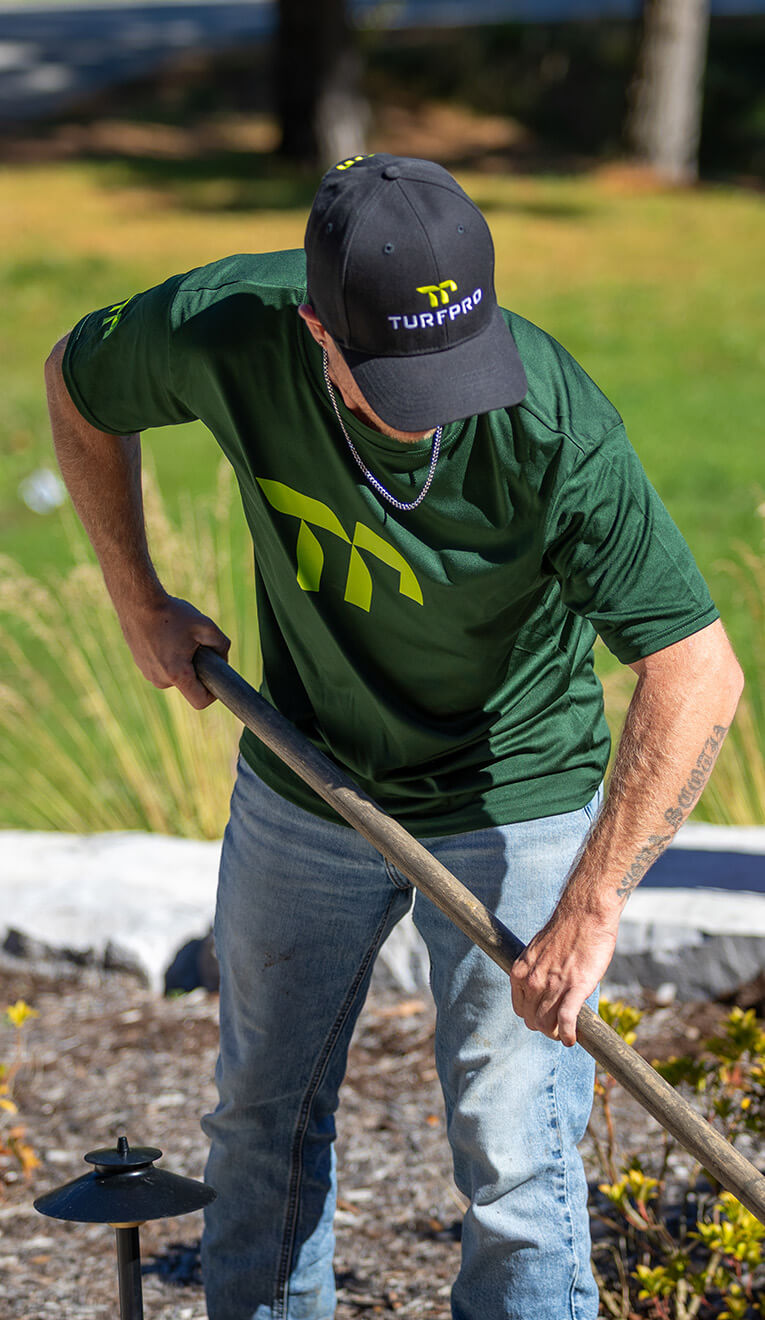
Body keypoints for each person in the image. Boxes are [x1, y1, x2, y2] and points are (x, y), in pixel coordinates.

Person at [45, 154, 742, 1320]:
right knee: (259, 1119)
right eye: (397, 381)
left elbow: (696, 669)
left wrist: (591, 907)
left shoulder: (547, 420)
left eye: (458, 367)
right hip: (307, 776)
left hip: (509, 788)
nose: (442, 409)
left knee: (515, 1152)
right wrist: (138, 602)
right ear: (317, 329)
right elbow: (77, 376)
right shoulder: (228, 327)